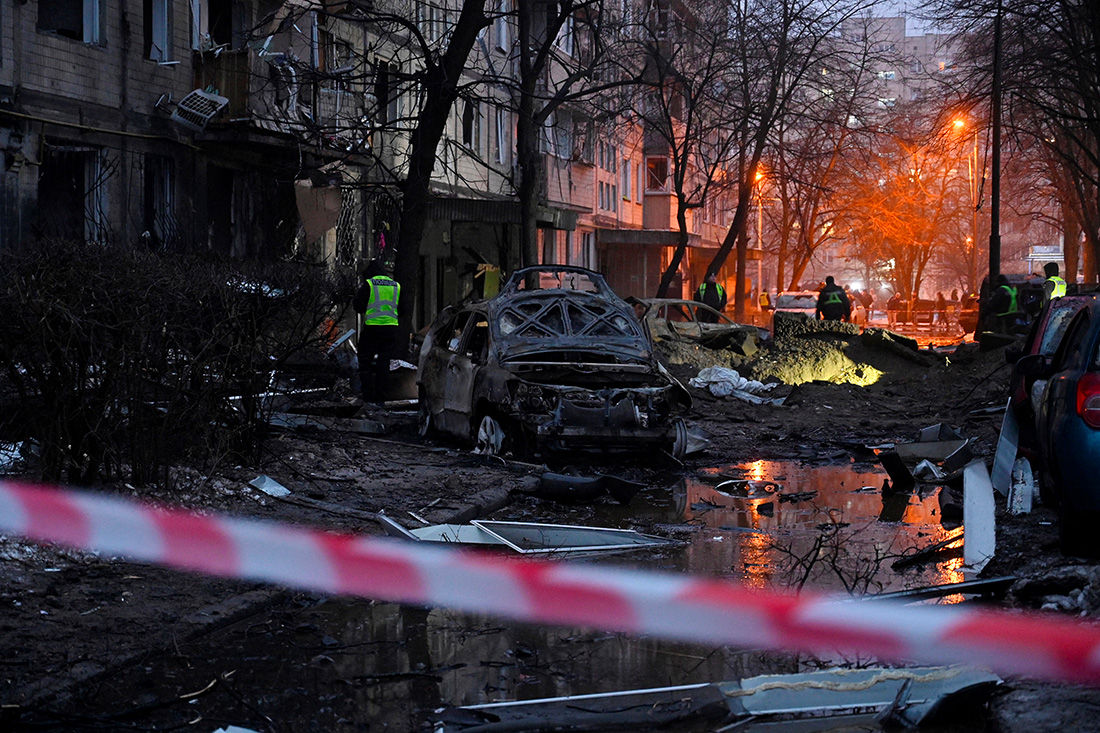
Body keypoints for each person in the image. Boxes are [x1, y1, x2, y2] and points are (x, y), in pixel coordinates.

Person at [353, 260, 401, 404]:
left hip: (372, 328)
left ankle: (368, 395)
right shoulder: (396, 285)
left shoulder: (370, 284)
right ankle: (381, 396)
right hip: (391, 329)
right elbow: (403, 308)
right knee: (384, 363)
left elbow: (358, 306)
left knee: (365, 361)